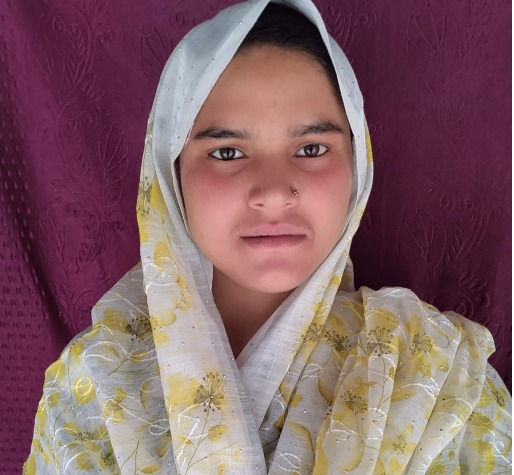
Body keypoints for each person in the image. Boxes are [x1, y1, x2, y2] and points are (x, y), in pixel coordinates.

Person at [24, 0, 511, 473]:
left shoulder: (435, 377)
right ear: (171, 178)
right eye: (227, 153)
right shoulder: (94, 386)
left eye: (312, 148)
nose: (275, 193)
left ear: (357, 167)